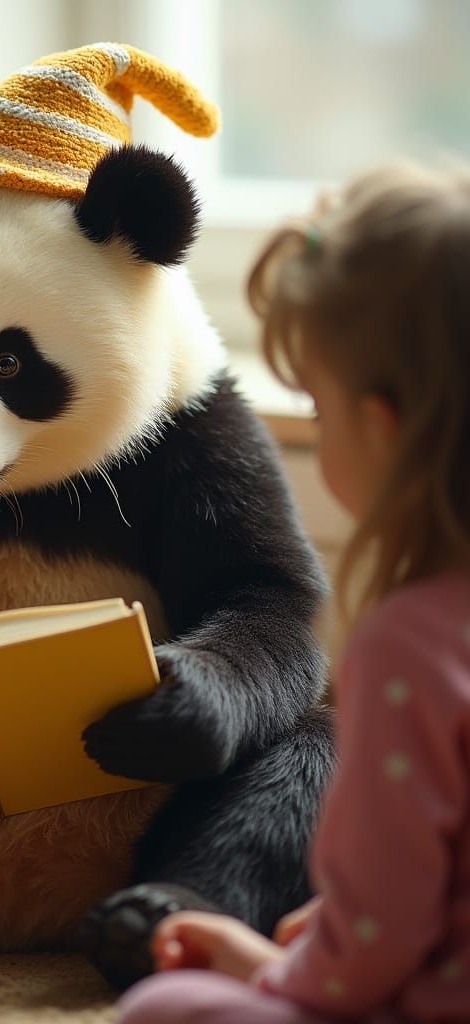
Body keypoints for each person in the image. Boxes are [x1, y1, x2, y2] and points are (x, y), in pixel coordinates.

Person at [116, 160, 470, 1022]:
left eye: (316, 407)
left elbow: (378, 941)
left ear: (382, 428)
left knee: (161, 1008)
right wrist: (334, 929)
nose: (314, 426)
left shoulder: (407, 644)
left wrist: (276, 971)